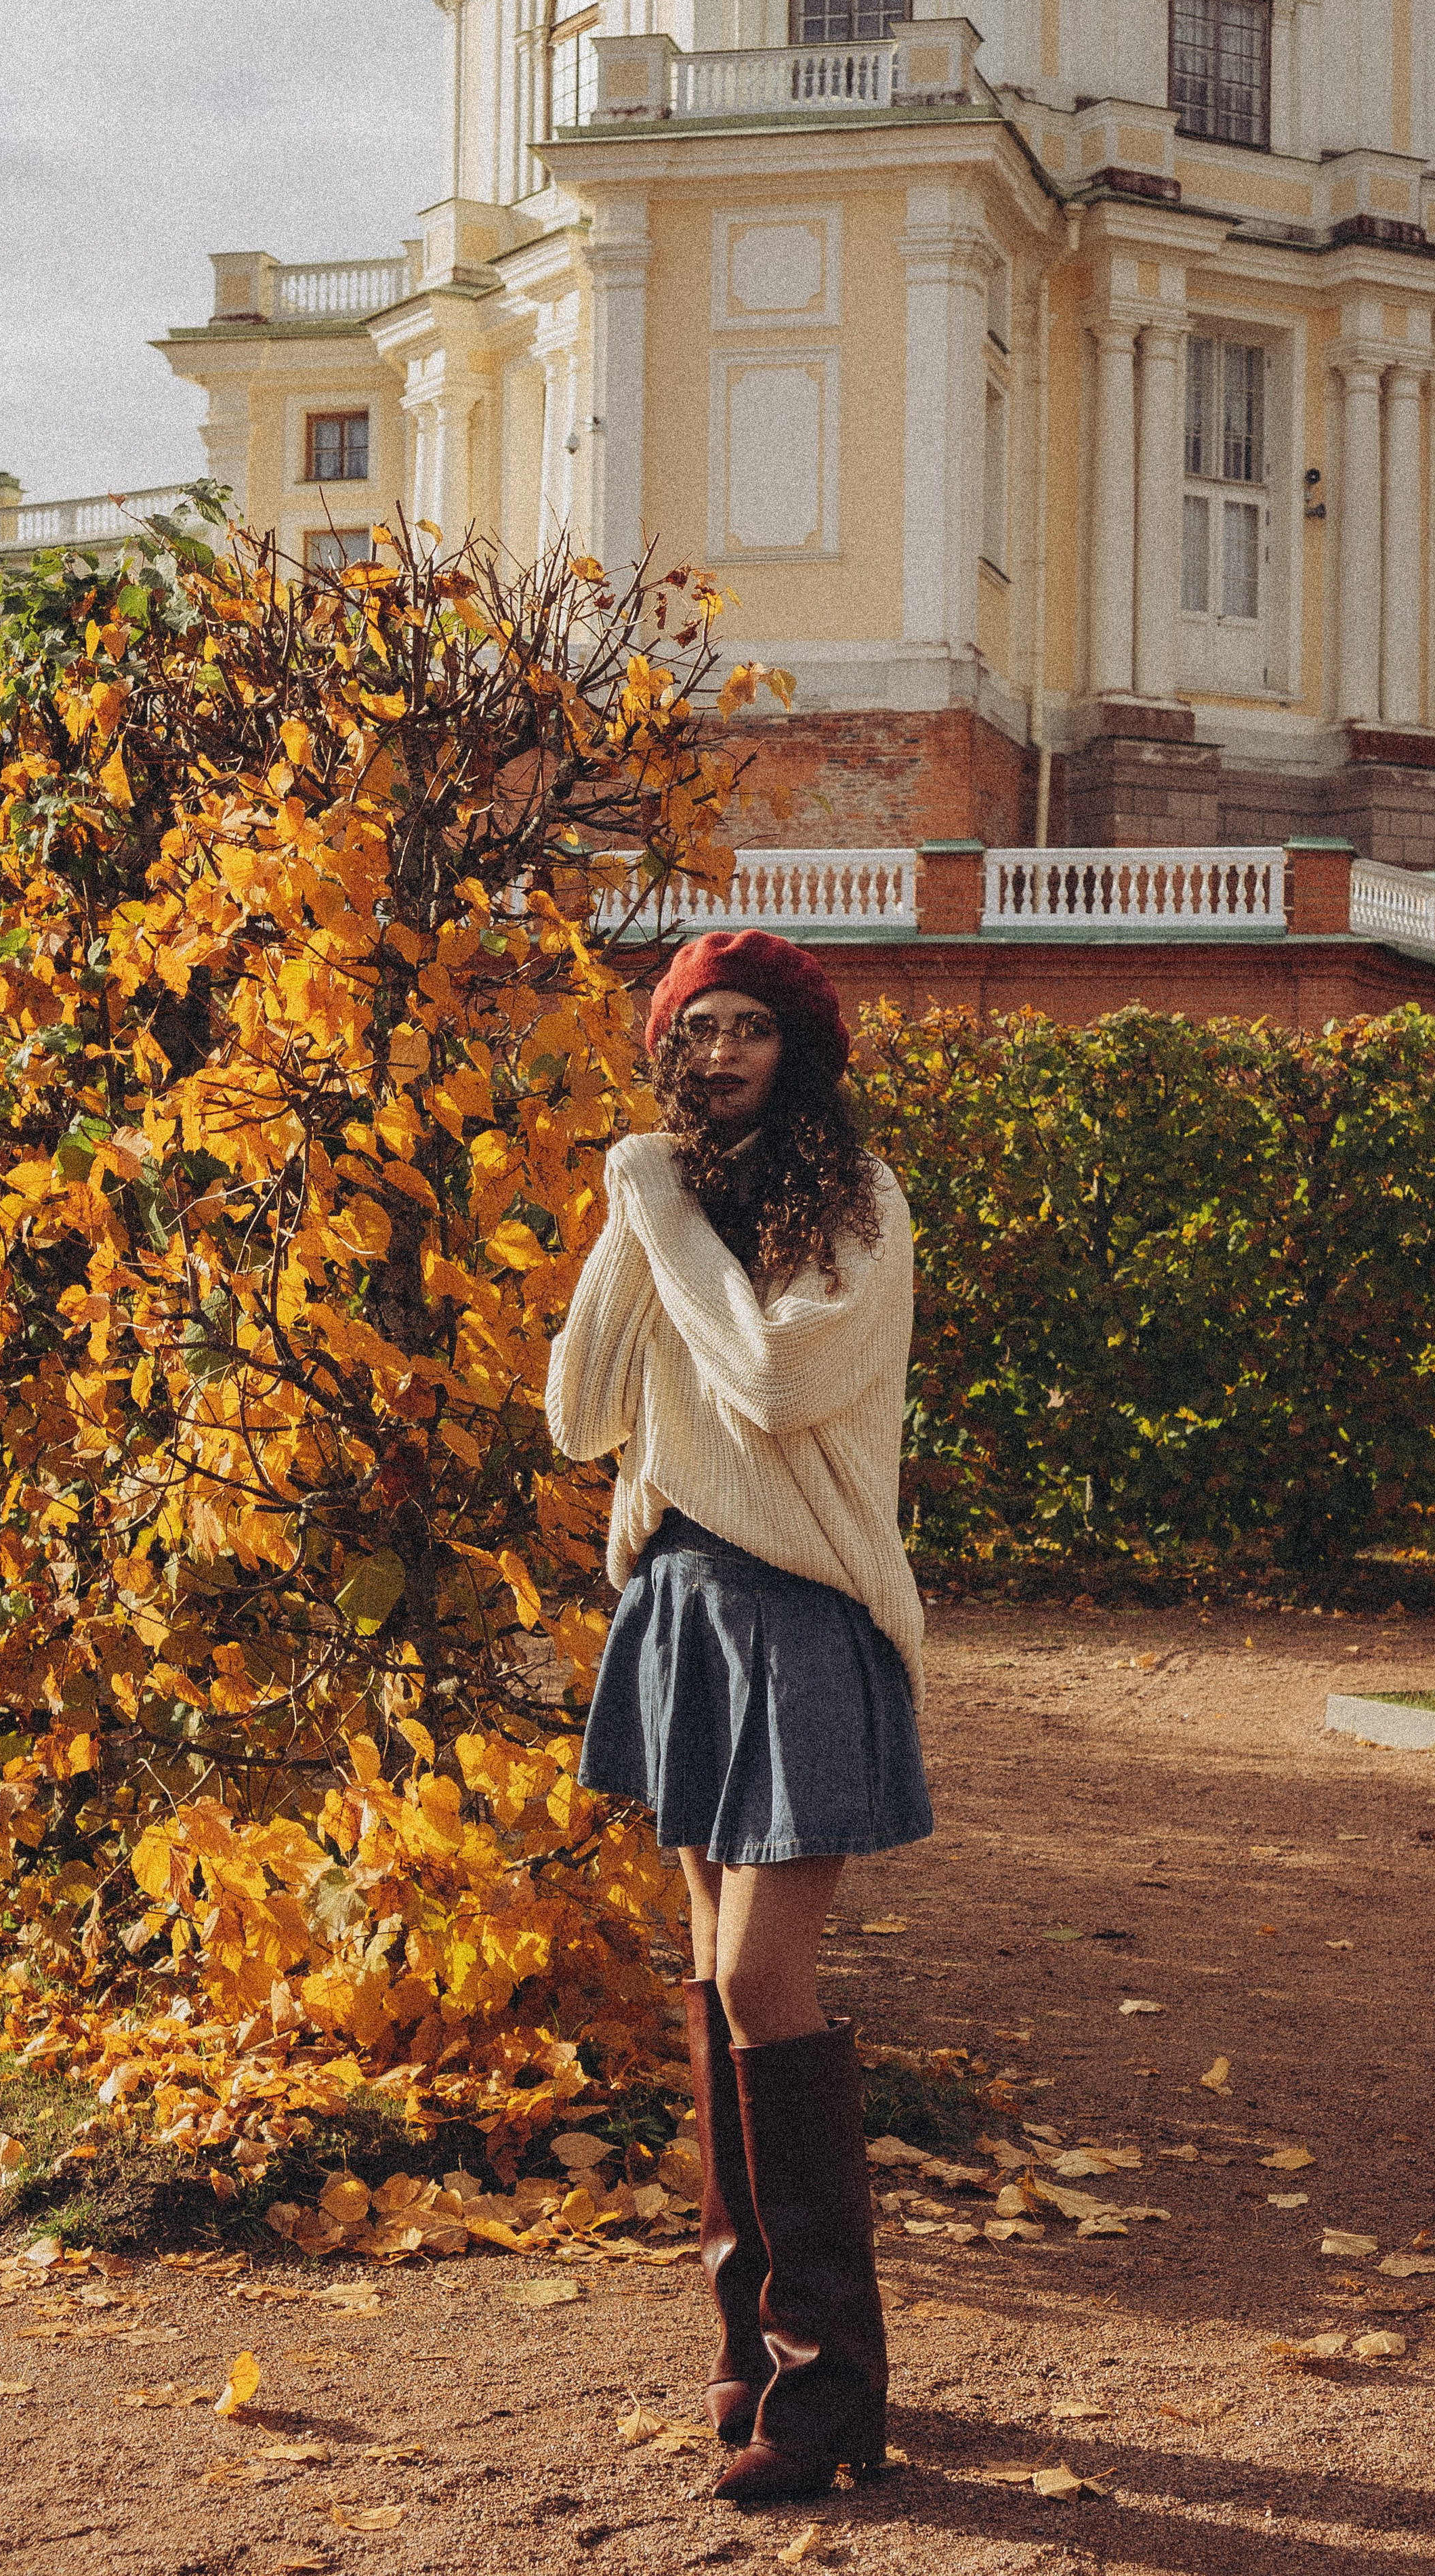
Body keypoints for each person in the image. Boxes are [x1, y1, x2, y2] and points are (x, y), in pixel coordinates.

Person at [545, 927, 931, 2508]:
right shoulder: (665, 1201)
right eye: (692, 1029)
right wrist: (641, 1223)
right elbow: (579, 1415)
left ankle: (835, 2386)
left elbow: (772, 1386)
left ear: (800, 1049)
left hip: (804, 1611)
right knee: (707, 1979)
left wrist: (658, 1212)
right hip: (681, 1608)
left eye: (748, 1031)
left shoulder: (856, 1205)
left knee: (768, 1979)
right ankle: (751, 2349)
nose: (715, 1056)